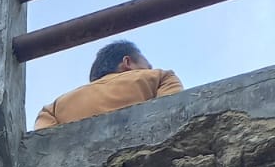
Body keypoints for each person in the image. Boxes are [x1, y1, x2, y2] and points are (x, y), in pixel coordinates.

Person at [33, 41, 182, 130]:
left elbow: (43, 144)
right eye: (147, 66)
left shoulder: (52, 109)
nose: (149, 70)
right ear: (127, 62)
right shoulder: (160, 77)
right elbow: (173, 119)